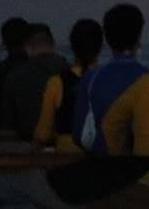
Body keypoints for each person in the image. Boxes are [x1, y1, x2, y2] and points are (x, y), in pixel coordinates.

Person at [70, 4, 149, 156]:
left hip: (103, 163)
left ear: (107, 36)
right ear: (139, 35)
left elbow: (80, 136)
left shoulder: (92, 79)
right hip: (141, 165)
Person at [33, 18, 103, 150]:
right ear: (100, 47)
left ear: (72, 46)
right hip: (102, 155)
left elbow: (43, 133)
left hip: (67, 156)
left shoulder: (57, 83)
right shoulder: (108, 80)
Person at [1, 23, 69, 142]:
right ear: (53, 44)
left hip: (30, 143)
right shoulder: (69, 71)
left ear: (27, 46)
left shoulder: (15, 77)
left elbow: (9, 121)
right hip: (65, 142)